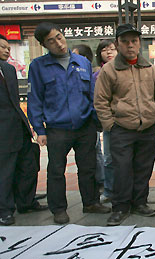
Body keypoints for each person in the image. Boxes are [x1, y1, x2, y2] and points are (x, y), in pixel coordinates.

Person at [27, 23, 110, 224]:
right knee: (56, 170)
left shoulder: (82, 62)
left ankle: (91, 202)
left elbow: (92, 94)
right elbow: (35, 99)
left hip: (84, 126)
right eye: (51, 41)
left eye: (59, 37)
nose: (58, 43)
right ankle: (59, 209)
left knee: (88, 167)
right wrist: (39, 129)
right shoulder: (38, 67)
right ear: (43, 44)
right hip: (57, 128)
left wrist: (95, 120)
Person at [94, 24, 155, 226]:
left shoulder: (150, 69)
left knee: (143, 168)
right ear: (118, 44)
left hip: (148, 129)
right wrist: (110, 125)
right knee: (122, 170)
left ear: (139, 43)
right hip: (121, 130)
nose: (130, 45)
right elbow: (101, 101)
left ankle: (140, 203)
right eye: (125, 42)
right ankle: (120, 207)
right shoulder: (109, 70)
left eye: (134, 41)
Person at [0, 35, 48, 226]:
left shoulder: (9, 69)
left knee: (28, 165)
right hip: (2, 131)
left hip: (18, 126)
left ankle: (26, 201)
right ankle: (4, 210)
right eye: (2, 47)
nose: (6, 50)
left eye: (8, 48)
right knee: (5, 172)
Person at [71, 44, 105, 195]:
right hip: (68, 124)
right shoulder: (72, 74)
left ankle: (98, 188)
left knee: (93, 157)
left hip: (90, 121)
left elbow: (95, 98)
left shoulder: (92, 75)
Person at [93, 39, 117, 203]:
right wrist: (106, 122)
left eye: (112, 49)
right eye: (105, 50)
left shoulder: (125, 70)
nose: (109, 52)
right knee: (108, 158)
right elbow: (97, 100)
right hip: (108, 124)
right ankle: (109, 190)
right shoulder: (96, 75)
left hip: (126, 121)